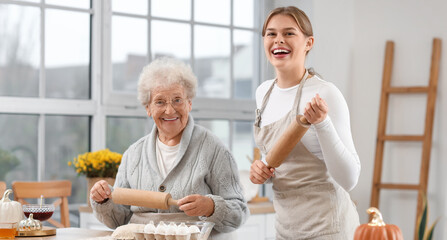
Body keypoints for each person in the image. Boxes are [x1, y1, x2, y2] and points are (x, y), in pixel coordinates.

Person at [90, 57, 249, 239]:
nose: (169, 110)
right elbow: (120, 220)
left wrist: (211, 207)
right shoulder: (133, 155)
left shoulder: (214, 149)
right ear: (148, 108)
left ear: (189, 103)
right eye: (159, 102)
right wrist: (103, 200)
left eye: (177, 100)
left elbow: (239, 212)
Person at [249, 6, 361, 239]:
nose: (278, 40)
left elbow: (350, 179)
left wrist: (322, 123)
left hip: (329, 229)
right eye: (271, 34)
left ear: (308, 43)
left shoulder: (325, 93)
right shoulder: (263, 93)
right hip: (286, 228)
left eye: (289, 33)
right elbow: (280, 163)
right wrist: (261, 170)